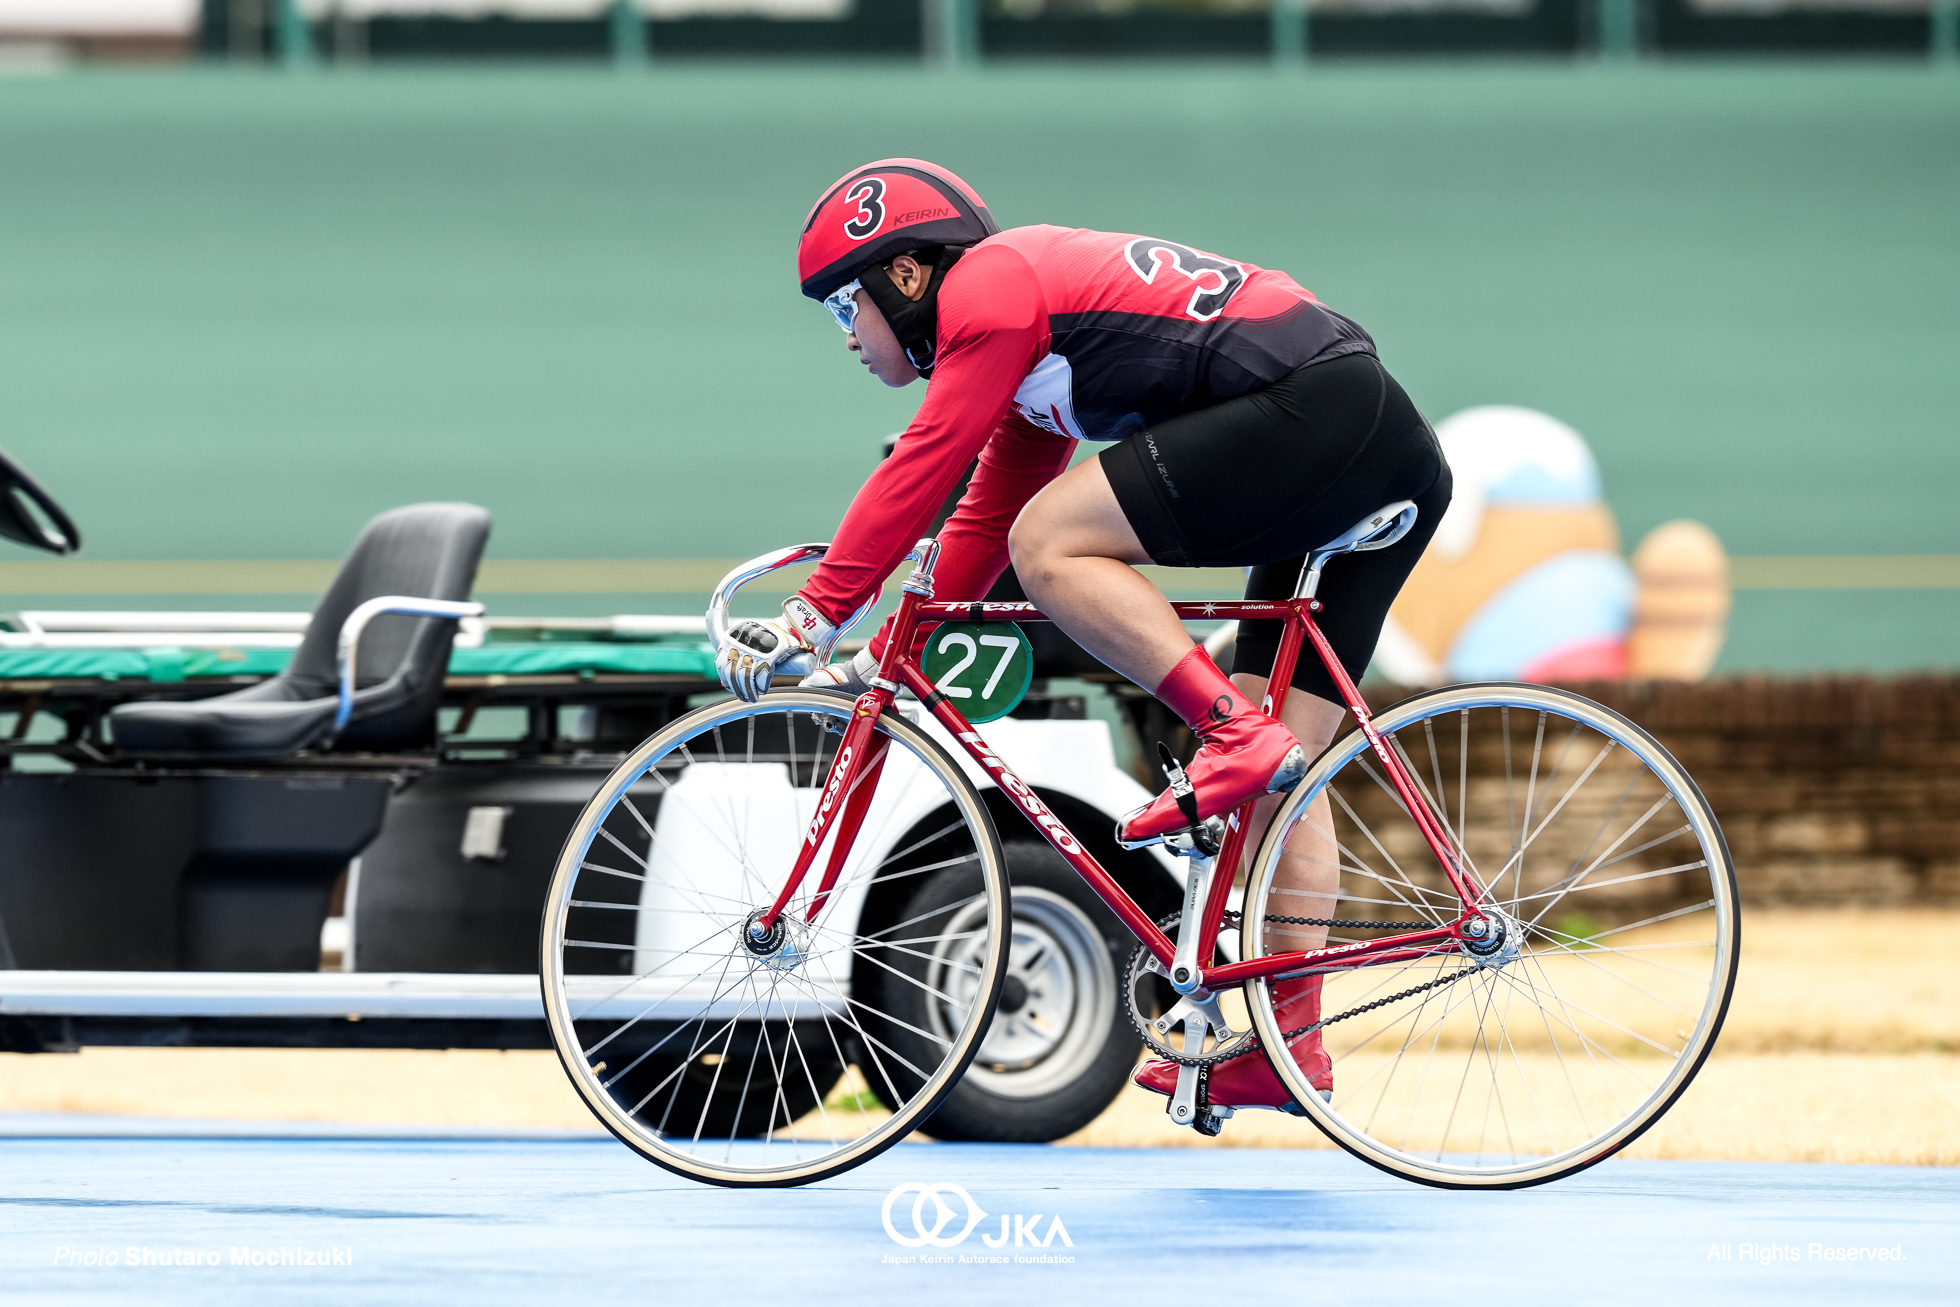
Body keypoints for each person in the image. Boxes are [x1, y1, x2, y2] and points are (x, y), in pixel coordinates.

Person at [715, 158, 1451, 1114]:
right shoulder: (1027, 353)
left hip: (1320, 411)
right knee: (1283, 785)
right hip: (1372, 436)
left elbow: (930, 463)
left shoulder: (989, 287)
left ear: (904, 277)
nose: (846, 336)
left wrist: (811, 614)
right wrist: (891, 648)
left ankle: (1229, 728)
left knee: (1054, 546)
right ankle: (1286, 1044)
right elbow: (978, 513)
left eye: (842, 305)